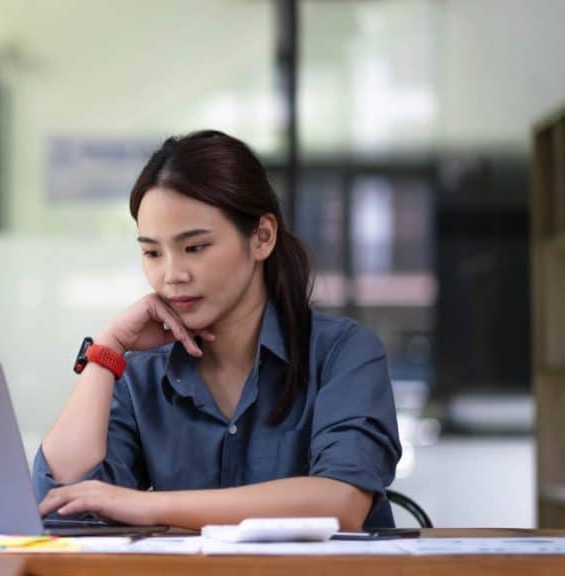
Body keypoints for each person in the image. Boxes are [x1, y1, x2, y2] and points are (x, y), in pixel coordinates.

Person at [33, 130, 401, 531]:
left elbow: (340, 503)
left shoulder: (342, 352)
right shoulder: (141, 374)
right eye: (152, 252)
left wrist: (150, 507)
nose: (172, 275)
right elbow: (59, 506)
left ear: (262, 237)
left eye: (195, 247)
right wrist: (107, 349)